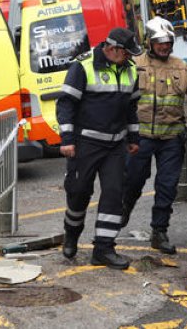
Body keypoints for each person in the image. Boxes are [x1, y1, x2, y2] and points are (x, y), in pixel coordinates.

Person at [57, 28, 142, 269]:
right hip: (85, 143)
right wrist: (67, 139)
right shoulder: (82, 66)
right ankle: (71, 235)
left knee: (115, 194)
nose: (129, 58)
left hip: (115, 145)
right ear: (112, 49)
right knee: (79, 192)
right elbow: (65, 105)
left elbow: (131, 108)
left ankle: (103, 248)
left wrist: (134, 136)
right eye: (126, 53)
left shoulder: (130, 69)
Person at [121, 18, 187, 255]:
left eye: (168, 42)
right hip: (140, 137)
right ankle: (125, 208)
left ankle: (160, 232)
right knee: (133, 180)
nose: (164, 46)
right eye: (159, 42)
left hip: (172, 138)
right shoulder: (134, 64)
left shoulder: (181, 66)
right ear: (149, 42)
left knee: (167, 186)